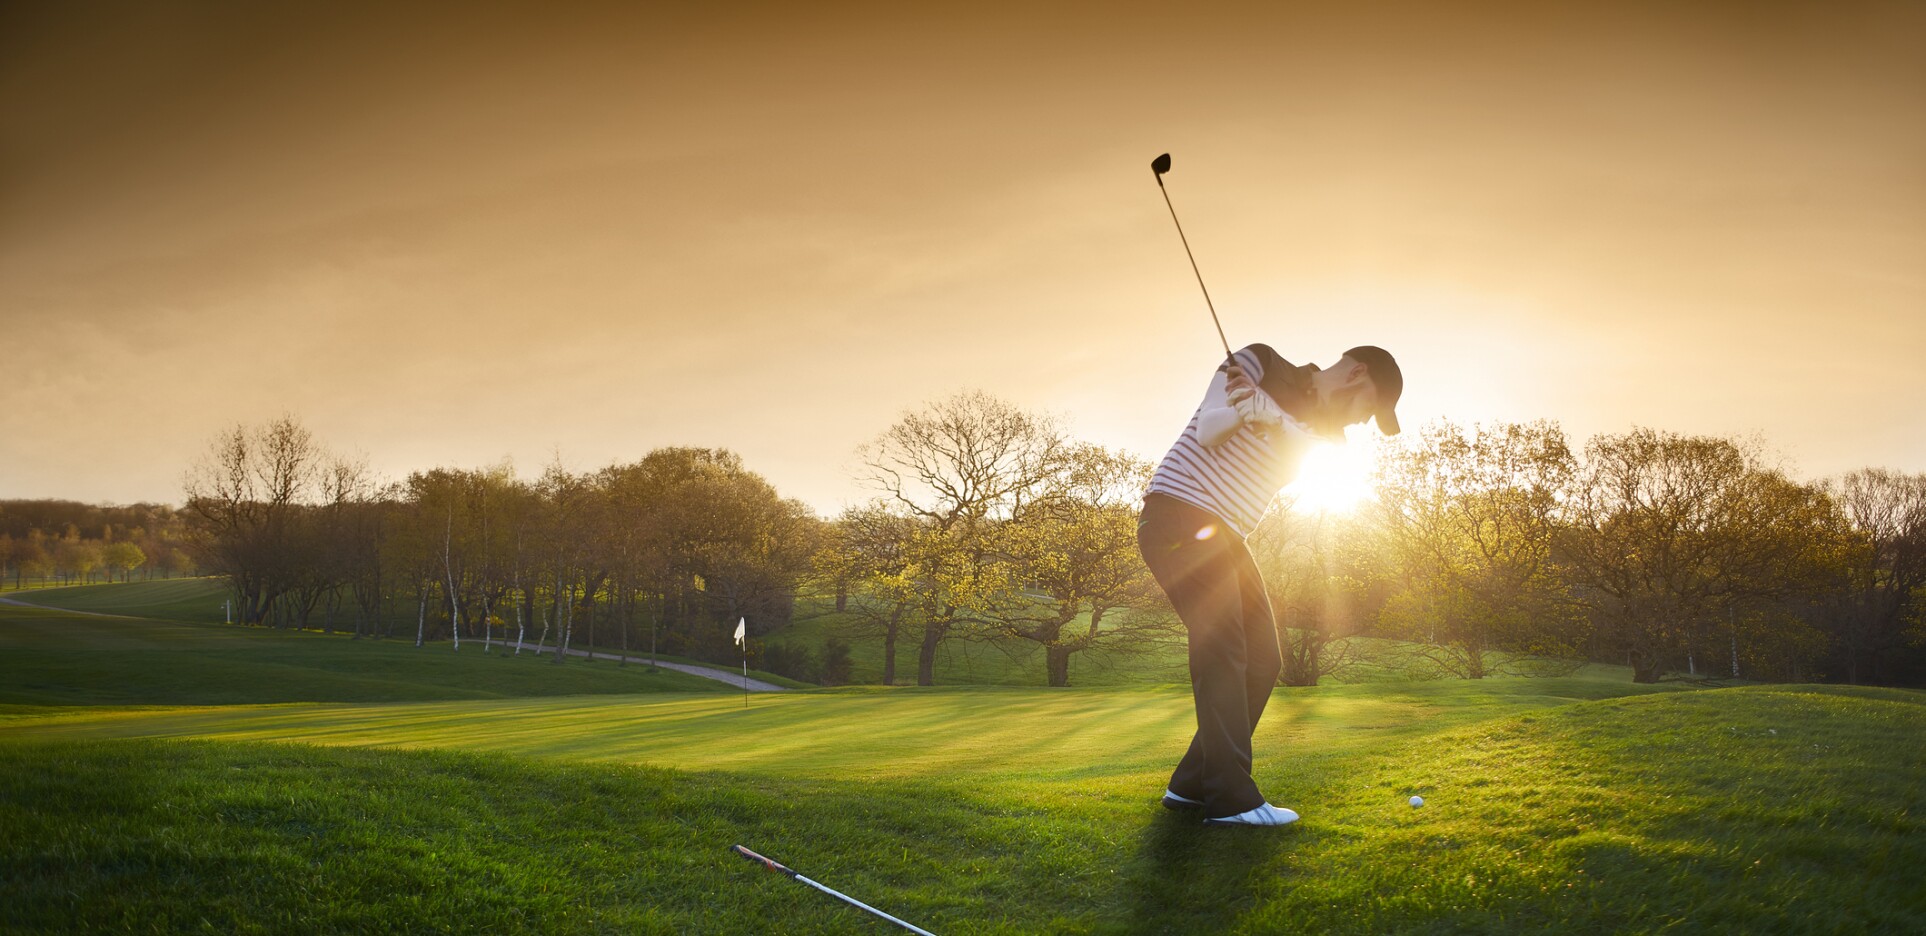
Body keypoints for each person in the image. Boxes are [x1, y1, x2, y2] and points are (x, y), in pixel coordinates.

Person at [1138, 343, 1403, 826]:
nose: (1366, 421)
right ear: (1358, 374)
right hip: (1180, 514)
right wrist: (1246, 412)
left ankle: (1191, 785)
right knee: (1224, 648)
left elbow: (1311, 450)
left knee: (1264, 658)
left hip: (1225, 535)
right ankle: (1232, 799)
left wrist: (1269, 414)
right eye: (1372, 406)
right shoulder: (1259, 361)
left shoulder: (1330, 435)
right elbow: (1210, 429)